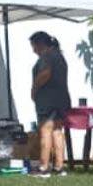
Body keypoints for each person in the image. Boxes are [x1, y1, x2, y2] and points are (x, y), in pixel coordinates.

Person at [29, 32, 70, 177]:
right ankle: (59, 167)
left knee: (45, 131)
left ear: (40, 44)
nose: (33, 50)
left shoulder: (46, 57)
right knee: (57, 131)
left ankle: (43, 167)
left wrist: (34, 88)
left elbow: (45, 73)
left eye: (33, 46)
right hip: (62, 99)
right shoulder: (59, 56)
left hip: (48, 100)